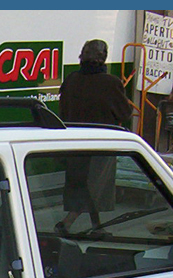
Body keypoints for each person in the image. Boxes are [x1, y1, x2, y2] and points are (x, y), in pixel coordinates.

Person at [56, 39, 133, 235]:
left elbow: (62, 111)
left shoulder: (72, 80)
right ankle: (73, 223)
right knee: (96, 187)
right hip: (101, 143)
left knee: (81, 185)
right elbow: (124, 113)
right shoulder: (111, 83)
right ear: (103, 58)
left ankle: (85, 225)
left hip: (73, 142)